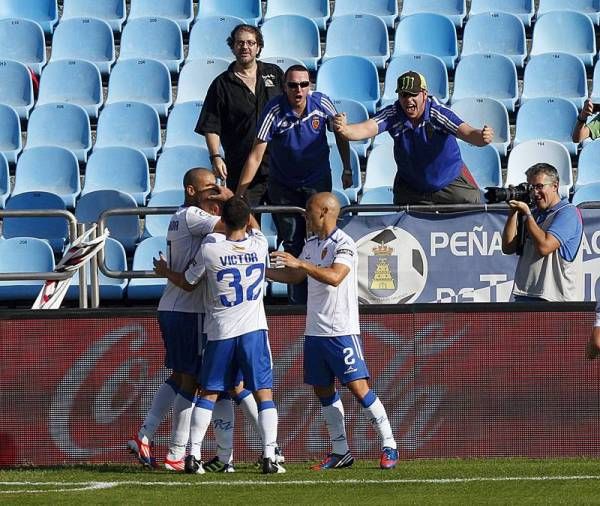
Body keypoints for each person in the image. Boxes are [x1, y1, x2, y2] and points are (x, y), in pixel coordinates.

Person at [128, 168, 263, 472]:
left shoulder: (184, 216)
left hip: (184, 308)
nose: (216, 194)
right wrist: (232, 198)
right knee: (194, 381)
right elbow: (237, 222)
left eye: (217, 189)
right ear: (191, 191)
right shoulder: (192, 215)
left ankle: (146, 435)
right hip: (186, 309)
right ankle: (176, 453)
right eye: (210, 189)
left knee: (182, 377)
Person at [266, 192, 399, 470]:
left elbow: (335, 277)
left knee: (359, 388)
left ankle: (389, 445)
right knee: (322, 390)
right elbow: (295, 275)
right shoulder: (312, 243)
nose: (306, 216)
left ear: (325, 212)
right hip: (315, 332)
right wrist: (262, 271)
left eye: (309, 211)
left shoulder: (344, 244)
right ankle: (341, 451)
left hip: (341, 330)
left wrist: (300, 263)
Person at [157, 197, 285, 474]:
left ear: (222, 220)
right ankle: (269, 455)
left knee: (209, 392)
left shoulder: (210, 248)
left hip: (220, 331)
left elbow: (189, 282)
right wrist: (235, 198)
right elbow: (253, 225)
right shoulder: (260, 244)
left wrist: (166, 271)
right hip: (253, 331)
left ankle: (192, 455)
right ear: (248, 218)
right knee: (263, 393)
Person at [237, 64, 352, 303]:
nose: (298, 90)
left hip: (316, 182)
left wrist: (348, 167)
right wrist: (239, 194)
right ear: (284, 88)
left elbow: (340, 132)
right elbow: (257, 154)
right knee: (292, 241)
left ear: (310, 86)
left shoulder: (321, 103)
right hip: (284, 185)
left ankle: (323, 297)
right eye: (292, 85)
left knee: (321, 238)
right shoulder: (274, 110)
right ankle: (297, 304)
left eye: (303, 84)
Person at [333, 70, 494, 205]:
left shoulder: (437, 113)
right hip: (411, 187)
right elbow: (365, 128)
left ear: (424, 94)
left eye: (413, 94)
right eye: (403, 95)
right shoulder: (393, 114)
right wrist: (345, 129)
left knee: (478, 212)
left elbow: (467, 132)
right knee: (400, 228)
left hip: (450, 182)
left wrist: (482, 137)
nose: (408, 100)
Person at [195, 24, 284, 207]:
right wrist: (215, 157)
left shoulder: (274, 74)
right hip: (242, 169)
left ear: (258, 47)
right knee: (242, 226)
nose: (245, 47)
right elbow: (211, 126)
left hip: (279, 166)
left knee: (288, 226)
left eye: (251, 43)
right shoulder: (221, 84)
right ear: (233, 46)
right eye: (240, 43)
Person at [501, 163, 584, 302]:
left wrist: (527, 214)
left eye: (539, 186)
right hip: (525, 294)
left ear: (555, 186)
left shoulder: (568, 212)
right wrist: (513, 212)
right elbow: (508, 247)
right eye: (531, 187)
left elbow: (544, 247)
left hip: (555, 300)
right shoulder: (533, 214)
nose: (535, 192)